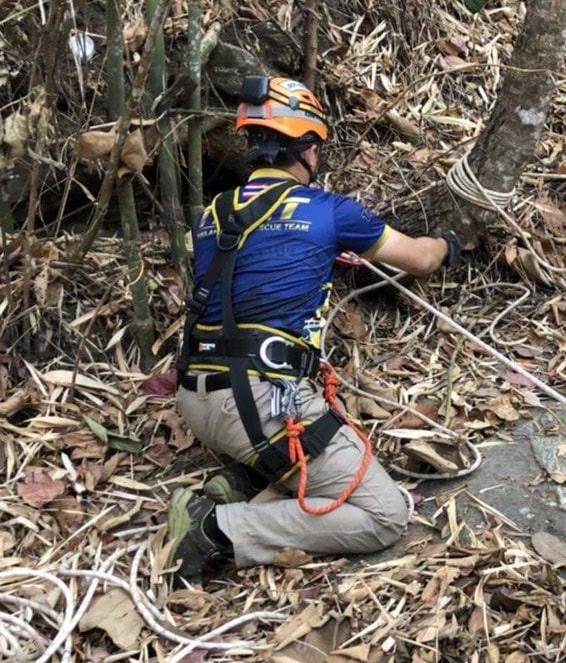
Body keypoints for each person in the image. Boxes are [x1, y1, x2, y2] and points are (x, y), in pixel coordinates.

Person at [164, 75, 460, 582]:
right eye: (316, 148)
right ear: (303, 147)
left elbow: (253, 270)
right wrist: (449, 243)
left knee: (324, 432)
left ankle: (242, 477)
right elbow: (419, 259)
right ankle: (218, 528)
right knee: (383, 514)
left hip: (195, 395)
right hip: (259, 405)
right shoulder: (329, 211)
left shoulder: (212, 214)